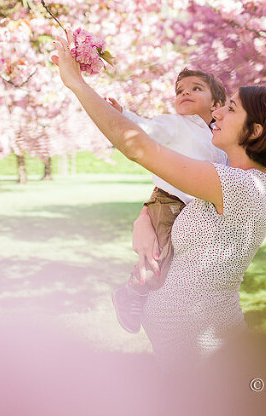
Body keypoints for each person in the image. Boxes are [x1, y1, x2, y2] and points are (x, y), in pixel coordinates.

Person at [52, 32, 266, 365]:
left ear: (254, 131)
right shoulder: (226, 176)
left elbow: (137, 147)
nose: (218, 115)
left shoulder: (242, 185)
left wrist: (77, 84)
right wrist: (144, 217)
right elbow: (175, 196)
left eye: (231, 109)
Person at [106, 69, 228, 334]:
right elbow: (145, 129)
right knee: (157, 257)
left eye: (196, 88)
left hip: (194, 208)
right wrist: (121, 114)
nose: (185, 92)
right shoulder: (175, 124)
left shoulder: (219, 136)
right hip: (168, 202)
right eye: (180, 90)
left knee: (182, 260)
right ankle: (131, 293)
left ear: (216, 105)